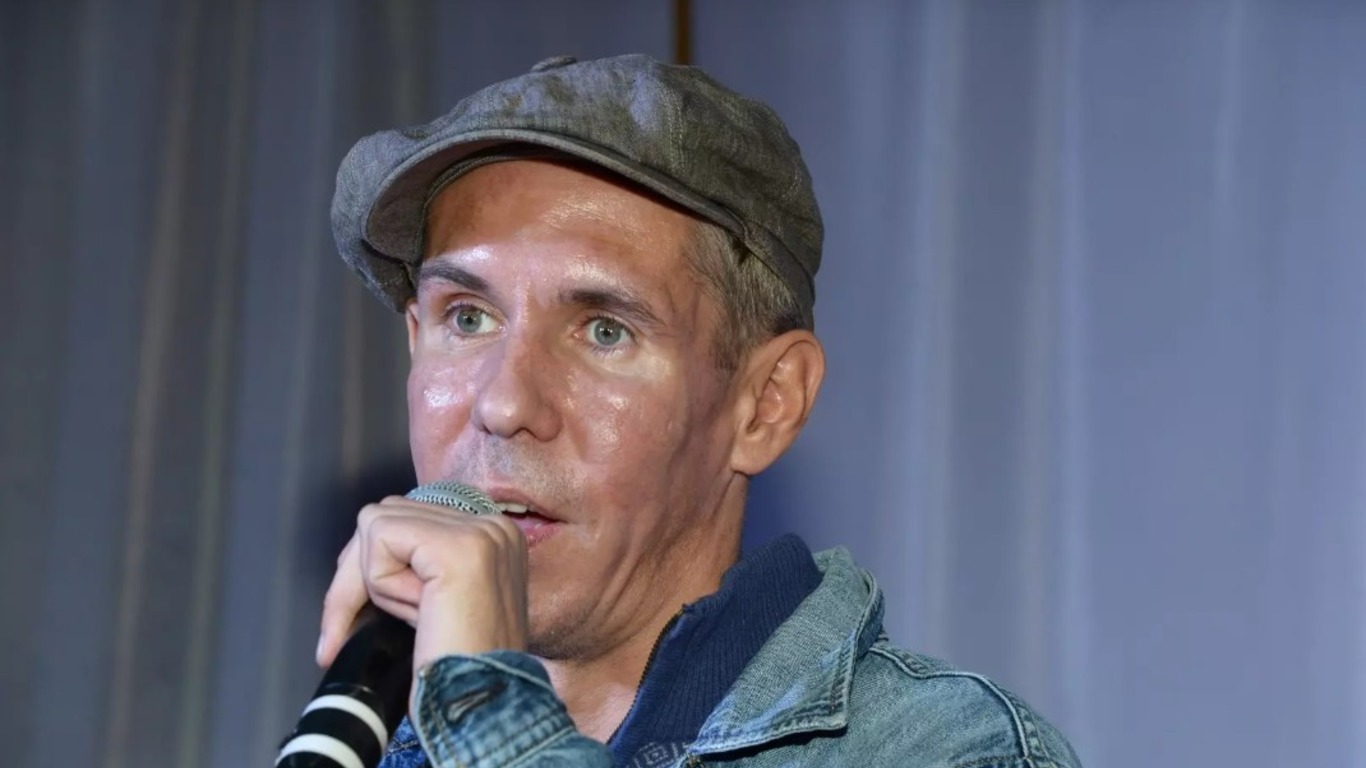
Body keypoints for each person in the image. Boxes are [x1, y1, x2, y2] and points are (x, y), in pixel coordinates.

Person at [317, 53, 1081, 768]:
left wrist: (485, 711)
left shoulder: (957, 751)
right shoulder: (370, 741)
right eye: (468, 318)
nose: (504, 402)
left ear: (766, 404)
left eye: (605, 331)